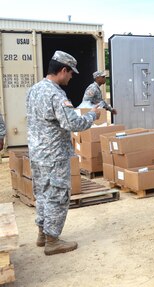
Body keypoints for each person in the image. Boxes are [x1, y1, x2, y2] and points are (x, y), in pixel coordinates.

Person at [26, 50, 101, 256]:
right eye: (70, 73)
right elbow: (73, 123)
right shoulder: (56, 94)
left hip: (37, 154)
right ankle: (52, 241)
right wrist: (93, 115)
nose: (70, 77)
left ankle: (42, 234)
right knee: (58, 195)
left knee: (42, 193)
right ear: (63, 70)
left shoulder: (34, 90)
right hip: (54, 155)